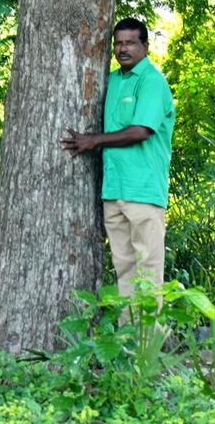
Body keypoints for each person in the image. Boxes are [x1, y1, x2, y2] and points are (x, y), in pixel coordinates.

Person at [61, 17, 174, 307]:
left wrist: (92, 140)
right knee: (125, 272)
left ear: (145, 46)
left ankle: (149, 345)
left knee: (148, 273)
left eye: (131, 43)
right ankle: (129, 341)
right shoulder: (111, 80)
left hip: (144, 192)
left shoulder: (151, 82)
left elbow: (141, 131)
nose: (123, 49)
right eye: (119, 43)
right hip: (114, 191)